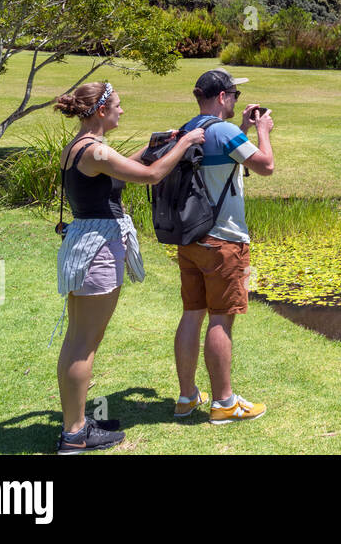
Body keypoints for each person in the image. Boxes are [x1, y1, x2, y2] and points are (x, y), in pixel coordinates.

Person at [54, 81, 207, 455]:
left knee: (78, 340)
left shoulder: (81, 147)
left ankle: (75, 423)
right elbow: (152, 176)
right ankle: (74, 435)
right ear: (102, 111)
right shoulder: (97, 153)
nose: (122, 111)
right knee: (83, 345)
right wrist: (185, 144)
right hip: (98, 252)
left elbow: (127, 166)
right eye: (118, 106)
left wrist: (154, 146)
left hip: (85, 245)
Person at [172, 68, 274, 424]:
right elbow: (266, 166)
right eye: (234, 95)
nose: (236, 101)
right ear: (221, 97)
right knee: (221, 319)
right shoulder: (227, 132)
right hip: (224, 240)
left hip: (191, 239)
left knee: (191, 313)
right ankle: (225, 402)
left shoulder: (188, 130)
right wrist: (262, 132)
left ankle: (187, 398)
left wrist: (242, 128)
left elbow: (219, 161)